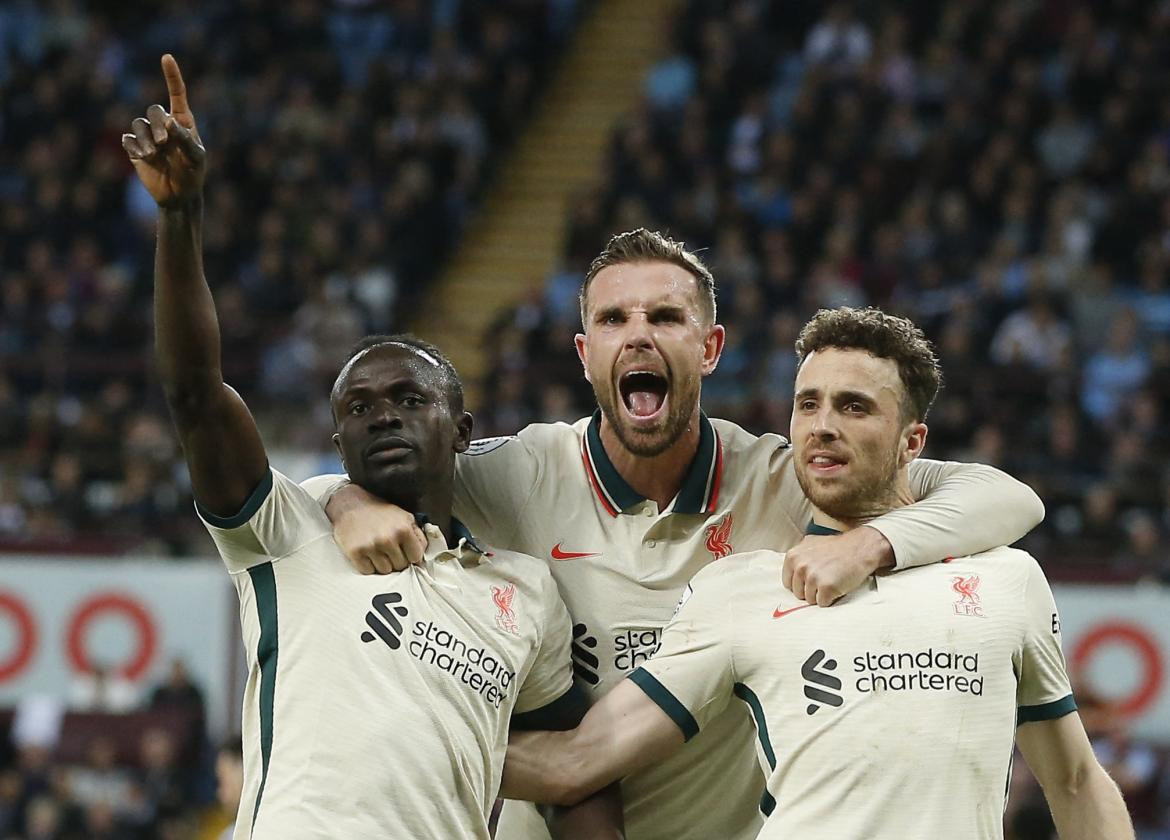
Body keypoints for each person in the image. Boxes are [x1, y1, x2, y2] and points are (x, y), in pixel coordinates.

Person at [309, 230, 1046, 839]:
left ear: (710, 347)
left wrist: (870, 545)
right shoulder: (518, 474)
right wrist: (346, 500)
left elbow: (1003, 494)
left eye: (665, 318)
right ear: (584, 353)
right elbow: (332, 491)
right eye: (613, 321)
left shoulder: (782, 478)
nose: (638, 337)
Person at [123, 54, 620, 839]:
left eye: (408, 399)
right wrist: (182, 218)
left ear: (461, 431)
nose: (382, 415)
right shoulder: (288, 530)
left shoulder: (526, 593)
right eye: (358, 406)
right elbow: (195, 392)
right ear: (336, 439)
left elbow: (573, 772)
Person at [499, 307, 1133, 840]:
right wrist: (419, 735)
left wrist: (872, 546)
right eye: (808, 404)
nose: (824, 425)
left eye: (854, 406)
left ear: (913, 442)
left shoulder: (1005, 579)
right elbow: (578, 761)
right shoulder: (737, 589)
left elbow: (1074, 780)